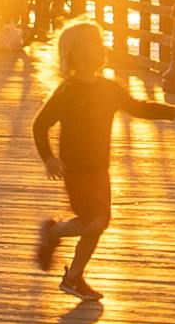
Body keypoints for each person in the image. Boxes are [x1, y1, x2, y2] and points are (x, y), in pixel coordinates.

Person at [28, 21, 136, 301]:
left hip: (100, 169)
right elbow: (40, 126)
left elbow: (140, 108)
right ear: (75, 54)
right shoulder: (69, 90)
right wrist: (49, 158)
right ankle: (53, 232)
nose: (100, 49)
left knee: (99, 223)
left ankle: (74, 276)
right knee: (94, 221)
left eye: (101, 44)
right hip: (75, 169)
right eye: (92, 45)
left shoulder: (109, 88)